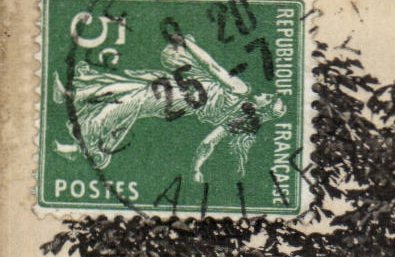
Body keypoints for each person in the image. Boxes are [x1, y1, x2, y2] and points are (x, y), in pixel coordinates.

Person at [53, 31, 287, 180]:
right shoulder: (235, 121)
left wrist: (188, 44)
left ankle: (83, 139)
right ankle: (72, 95)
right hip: (179, 97)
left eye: (268, 98)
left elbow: (212, 67)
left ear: (262, 108)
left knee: (128, 102)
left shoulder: (241, 90)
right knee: (129, 86)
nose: (264, 94)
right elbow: (208, 144)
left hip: (177, 96)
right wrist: (197, 168)